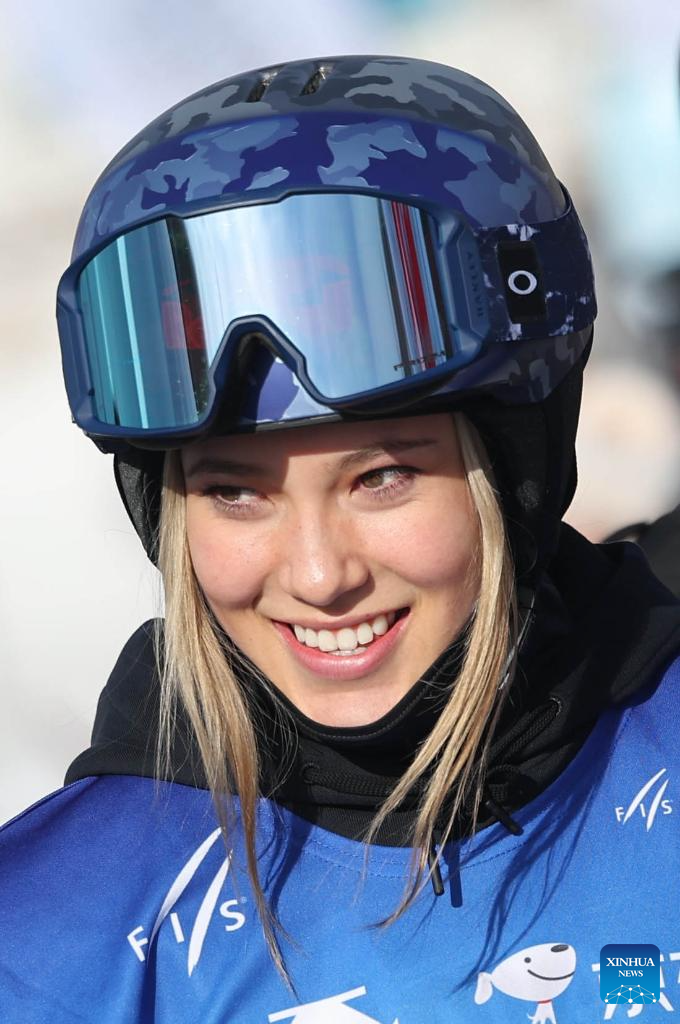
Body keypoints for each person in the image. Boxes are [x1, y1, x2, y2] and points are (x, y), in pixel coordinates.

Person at [1, 55, 679, 1023]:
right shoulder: (47, 944)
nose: (320, 575)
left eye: (382, 478)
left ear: (514, 473)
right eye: (235, 492)